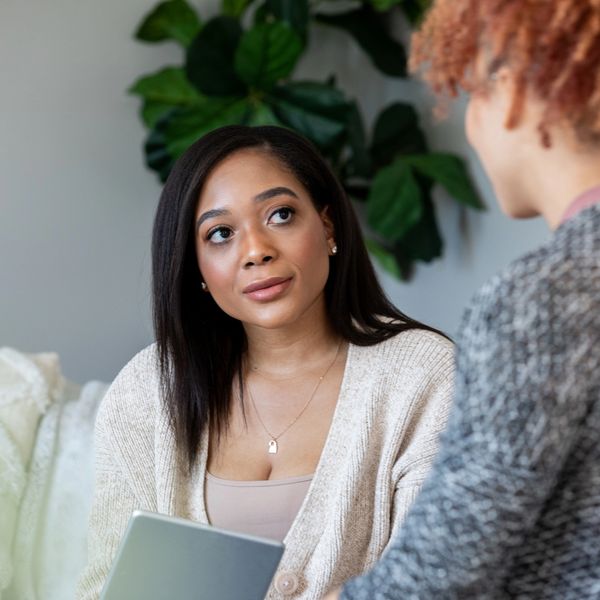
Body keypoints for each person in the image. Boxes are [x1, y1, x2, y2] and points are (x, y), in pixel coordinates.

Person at [76, 125, 454, 599]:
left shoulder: (422, 375)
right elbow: (103, 588)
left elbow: (441, 579)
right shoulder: (148, 388)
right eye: (220, 233)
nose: (256, 251)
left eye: (280, 214)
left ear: (328, 226)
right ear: (195, 267)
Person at [324, 1, 600, 599]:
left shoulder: (542, 298)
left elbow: (444, 569)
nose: (470, 126)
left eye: (470, 95)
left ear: (514, 90)